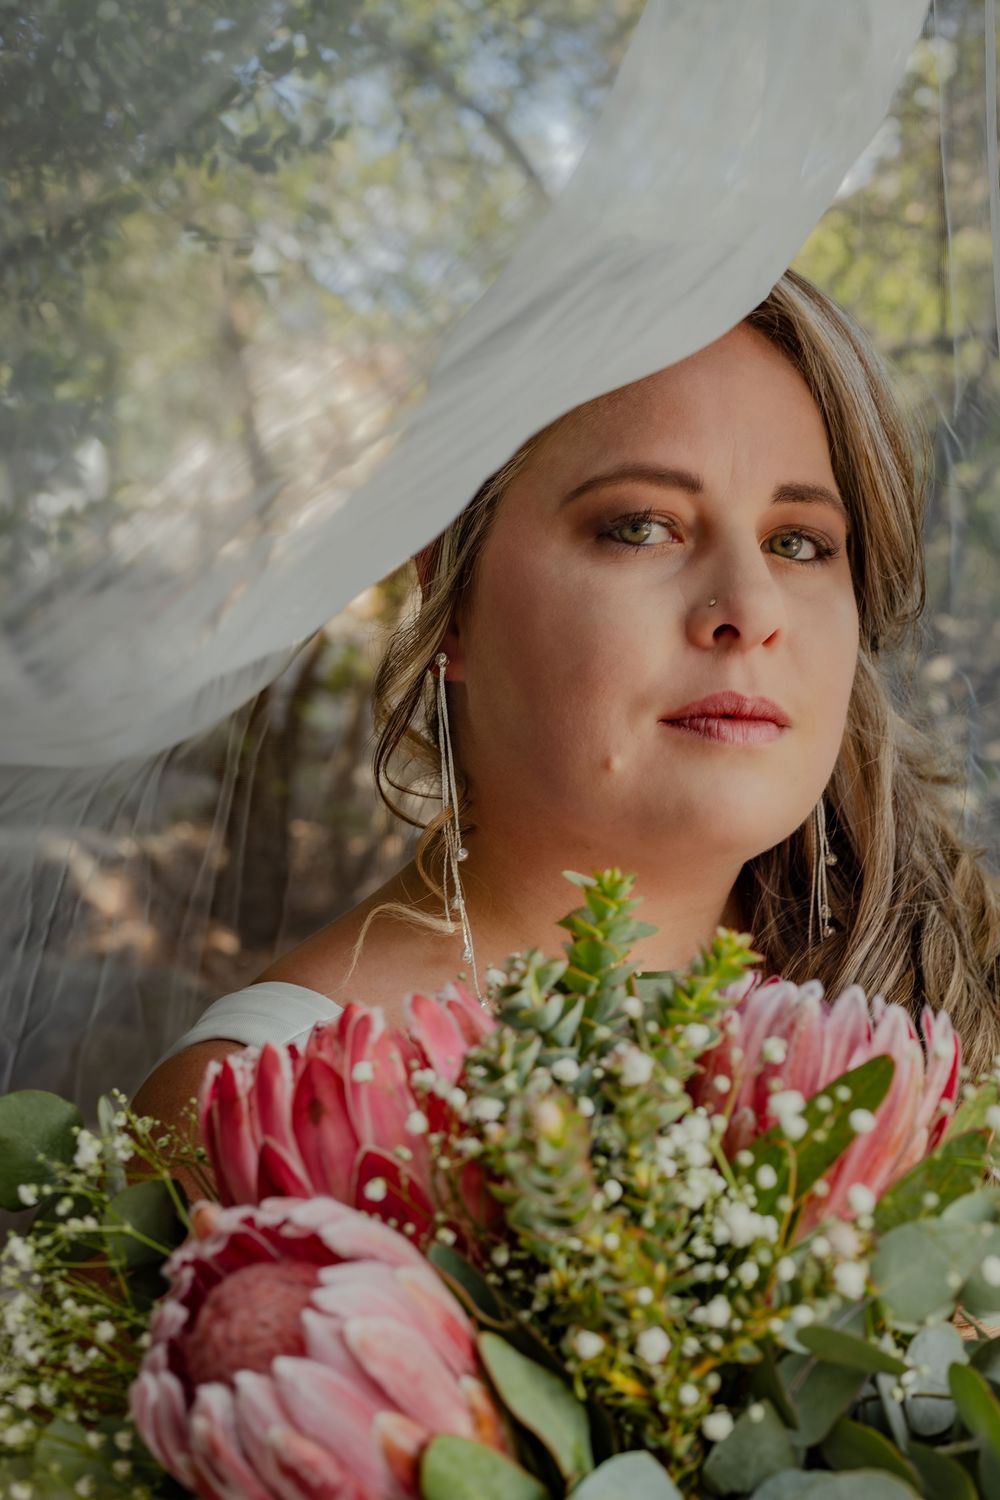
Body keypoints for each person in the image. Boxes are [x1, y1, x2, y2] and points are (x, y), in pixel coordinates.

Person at [130, 267, 1000, 1192]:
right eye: (642, 527)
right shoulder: (247, 1117)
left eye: (798, 543)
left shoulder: (950, 995)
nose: (749, 608)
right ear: (450, 600)